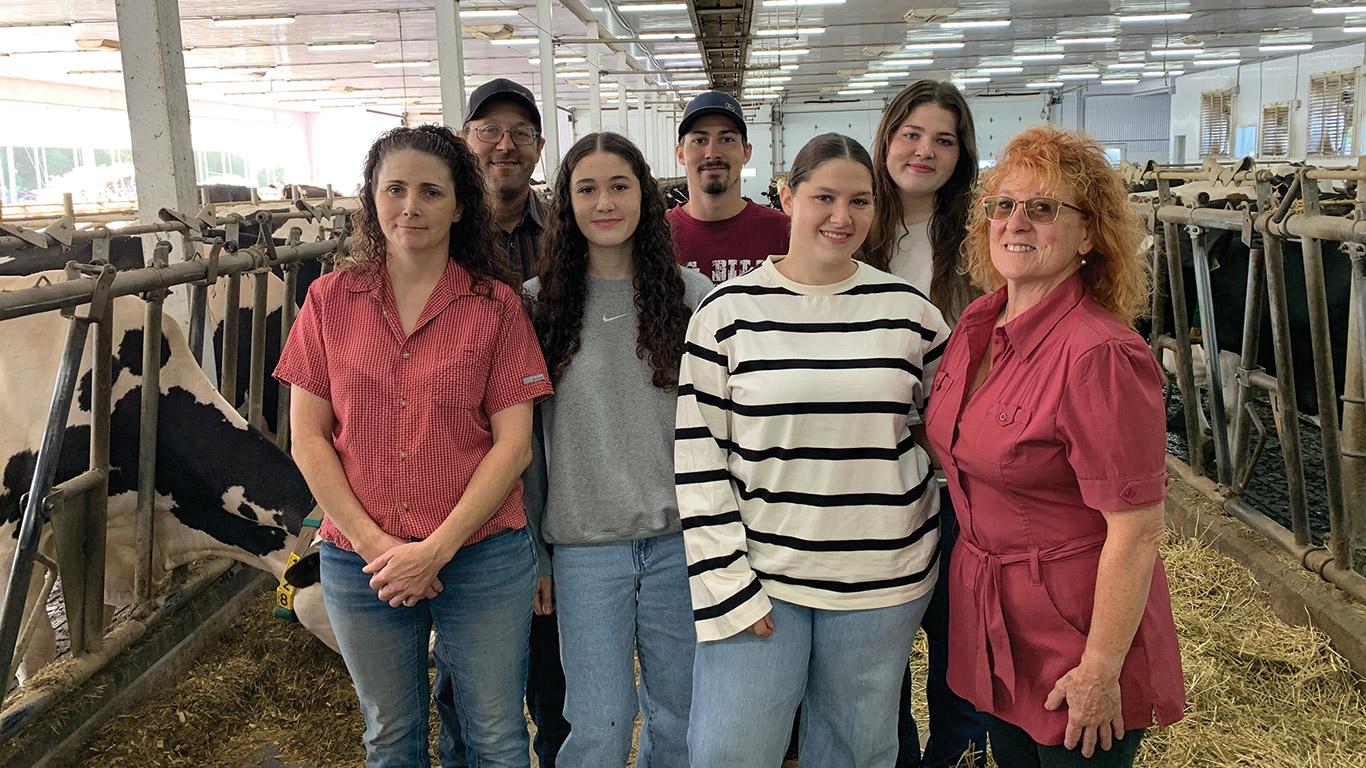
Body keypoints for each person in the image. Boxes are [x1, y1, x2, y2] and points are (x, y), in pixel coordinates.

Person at [275, 124, 552, 768]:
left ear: (460, 205)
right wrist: (379, 548)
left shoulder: (496, 307)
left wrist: (436, 550)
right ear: (371, 199)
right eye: (394, 189)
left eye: (431, 192)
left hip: (481, 555)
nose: (410, 206)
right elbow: (309, 437)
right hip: (359, 560)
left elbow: (514, 446)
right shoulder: (329, 300)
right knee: (390, 735)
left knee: (497, 733)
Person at [676, 133, 952, 767]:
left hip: (884, 578)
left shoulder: (909, 314)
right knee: (729, 750)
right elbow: (699, 457)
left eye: (859, 201)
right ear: (786, 196)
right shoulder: (727, 314)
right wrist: (726, 582)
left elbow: (955, 428)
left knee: (855, 750)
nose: (841, 216)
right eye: (823, 197)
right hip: (763, 578)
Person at [923, 125, 1185, 767]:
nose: (1016, 222)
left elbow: (1137, 531)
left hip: (1075, 624)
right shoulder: (977, 325)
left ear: (1089, 234)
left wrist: (1099, 669)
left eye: (1043, 209)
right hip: (991, 613)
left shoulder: (1100, 354)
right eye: (1003, 206)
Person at [525, 132, 713, 767]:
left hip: (679, 544)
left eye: (619, 186)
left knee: (682, 717)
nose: (604, 202)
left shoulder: (695, 298)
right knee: (598, 726)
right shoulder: (537, 305)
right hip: (582, 552)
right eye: (587, 188)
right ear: (566, 203)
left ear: (647, 196)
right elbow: (525, 447)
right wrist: (539, 556)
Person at [442, 77, 570, 768]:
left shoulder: (566, 236)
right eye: (488, 130)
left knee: (555, 679)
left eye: (521, 133)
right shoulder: (438, 240)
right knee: (464, 689)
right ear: (467, 142)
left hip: (548, 465)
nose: (504, 144)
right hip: (459, 483)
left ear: (540, 149)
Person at [866, 80, 987, 768]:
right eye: (912, 133)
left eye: (944, 139)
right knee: (879, 651)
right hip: (873, 472)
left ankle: (956, 755)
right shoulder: (852, 230)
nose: (925, 151)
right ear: (887, 138)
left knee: (958, 642)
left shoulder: (981, 240)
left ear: (962, 154)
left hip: (958, 477)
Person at [668, 90, 790, 284]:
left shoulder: (785, 233)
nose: (712, 153)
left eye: (727, 139)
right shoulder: (655, 235)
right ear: (680, 154)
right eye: (699, 140)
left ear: (746, 152)